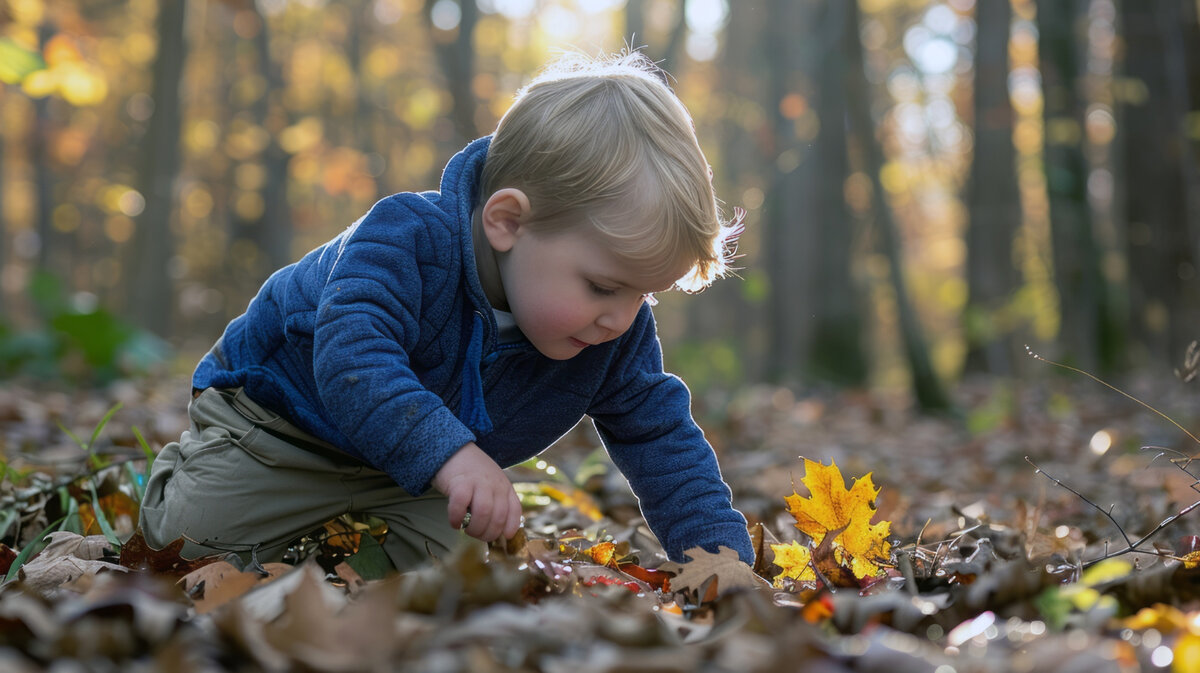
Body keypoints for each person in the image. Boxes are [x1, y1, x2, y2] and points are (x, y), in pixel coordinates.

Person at [139, 50, 754, 572]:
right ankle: (185, 474)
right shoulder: (405, 241)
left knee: (443, 578)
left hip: (414, 474)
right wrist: (452, 457)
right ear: (509, 221)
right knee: (189, 550)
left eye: (644, 295)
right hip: (281, 427)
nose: (621, 319)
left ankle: (326, 562)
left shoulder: (613, 329)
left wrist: (721, 562)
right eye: (601, 286)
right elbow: (354, 356)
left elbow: (661, 436)